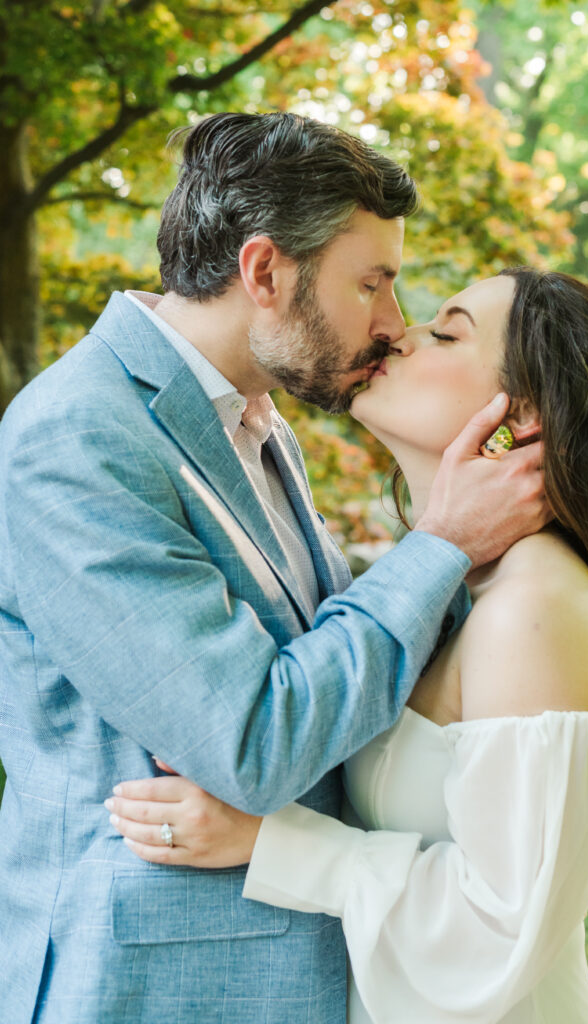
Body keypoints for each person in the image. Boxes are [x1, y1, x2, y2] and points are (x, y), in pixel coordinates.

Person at [0, 113, 546, 1024]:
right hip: (149, 991)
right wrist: (441, 545)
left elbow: (321, 652)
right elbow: (254, 742)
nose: (392, 323)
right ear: (263, 272)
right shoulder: (78, 437)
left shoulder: (252, 418)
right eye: (371, 283)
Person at [109, 268, 588, 1024]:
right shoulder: (454, 591)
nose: (397, 332)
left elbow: (497, 932)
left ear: (525, 416)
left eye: (445, 332)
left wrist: (267, 840)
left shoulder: (533, 609)